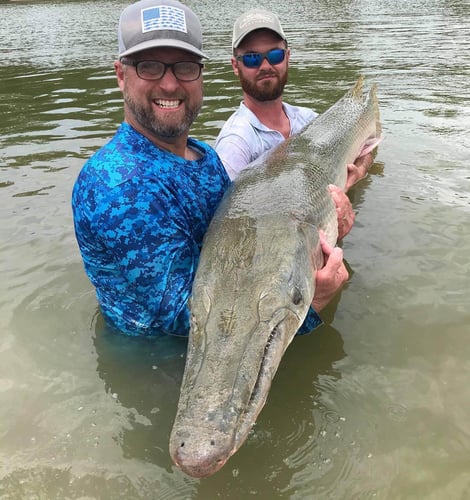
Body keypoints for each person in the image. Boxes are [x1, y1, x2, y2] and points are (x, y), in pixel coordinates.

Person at [72, 0, 347, 338]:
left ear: (200, 75)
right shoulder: (118, 184)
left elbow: (244, 252)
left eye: (184, 66)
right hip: (159, 367)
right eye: (149, 66)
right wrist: (313, 302)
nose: (170, 85)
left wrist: (324, 235)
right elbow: (189, 322)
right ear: (121, 75)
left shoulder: (203, 156)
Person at [215, 8, 374, 239]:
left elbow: (367, 144)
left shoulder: (309, 120)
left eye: (275, 55)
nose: (265, 66)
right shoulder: (235, 145)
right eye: (252, 58)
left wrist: (359, 171)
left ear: (287, 57)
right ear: (235, 66)